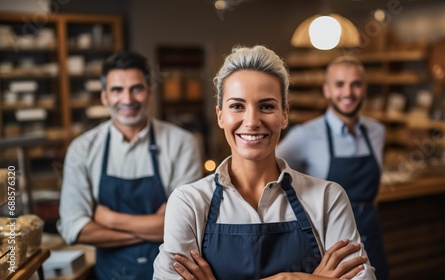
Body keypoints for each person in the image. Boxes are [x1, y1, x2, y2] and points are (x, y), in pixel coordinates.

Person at [153, 45, 376, 280]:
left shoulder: (328, 198)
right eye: (237, 106)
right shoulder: (189, 202)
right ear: (220, 116)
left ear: (284, 115)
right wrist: (292, 279)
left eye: (267, 106)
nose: (251, 121)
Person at [57, 51, 203, 279]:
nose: (127, 99)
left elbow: (187, 225)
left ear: (149, 93)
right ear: (104, 97)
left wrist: (109, 219)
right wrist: (156, 227)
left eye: (136, 88)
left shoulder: (182, 142)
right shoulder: (82, 148)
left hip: (171, 275)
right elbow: (74, 228)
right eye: (117, 90)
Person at [276, 56, 389, 280]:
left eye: (355, 84)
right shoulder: (304, 135)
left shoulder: (377, 131)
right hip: (329, 244)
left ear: (364, 89)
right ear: (326, 90)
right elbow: (267, 173)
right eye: (339, 84)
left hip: (371, 232)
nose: (348, 92)